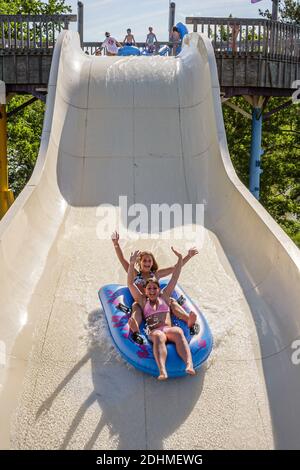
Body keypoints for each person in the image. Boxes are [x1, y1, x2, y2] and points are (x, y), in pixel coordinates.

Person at [111, 232, 198, 341]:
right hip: (142, 302)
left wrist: (188, 256)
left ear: (152, 263)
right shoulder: (134, 273)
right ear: (140, 262)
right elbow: (122, 259)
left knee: (171, 301)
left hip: (158, 304)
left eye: (149, 261)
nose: (147, 263)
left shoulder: (156, 274)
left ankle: (188, 319)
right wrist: (116, 244)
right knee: (135, 306)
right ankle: (135, 327)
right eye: (144, 261)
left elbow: (176, 268)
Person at [128, 249, 196, 380]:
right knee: (159, 336)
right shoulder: (142, 301)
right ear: (145, 291)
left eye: (155, 288)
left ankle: (189, 364)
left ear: (159, 289)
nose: (152, 291)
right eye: (149, 289)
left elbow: (175, 276)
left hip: (168, 328)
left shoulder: (164, 296)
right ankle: (162, 370)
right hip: (154, 331)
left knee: (178, 331)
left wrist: (182, 258)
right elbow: (130, 284)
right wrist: (131, 264)